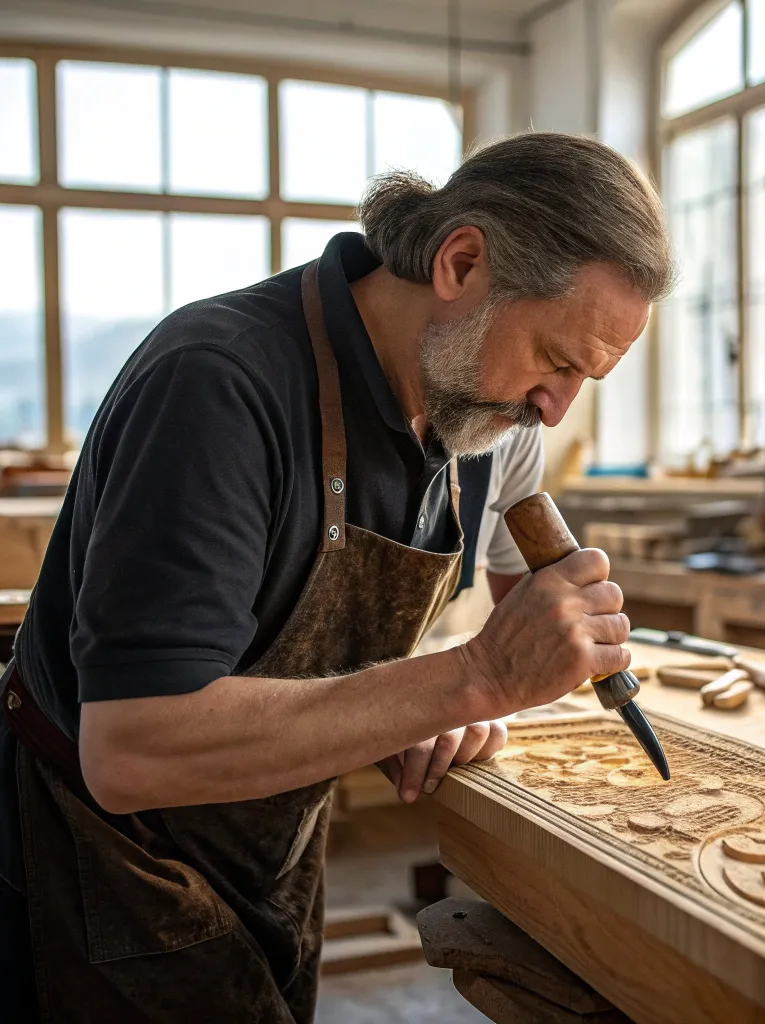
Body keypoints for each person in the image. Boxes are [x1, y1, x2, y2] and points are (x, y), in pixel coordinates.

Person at [0, 130, 673, 1022]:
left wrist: (434, 703)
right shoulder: (219, 384)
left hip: (271, 841)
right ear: (461, 261)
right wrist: (467, 679)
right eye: (555, 359)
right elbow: (133, 748)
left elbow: (517, 632)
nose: (556, 406)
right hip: (93, 860)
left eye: (587, 376)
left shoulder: (491, 425)